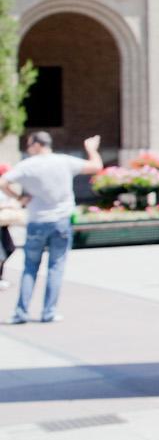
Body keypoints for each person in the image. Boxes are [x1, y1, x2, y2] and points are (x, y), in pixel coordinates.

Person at [0, 131, 103, 323]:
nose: (28, 149)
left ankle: (21, 313)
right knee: (56, 267)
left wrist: (19, 198)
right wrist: (91, 149)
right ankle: (48, 312)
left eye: (30, 145)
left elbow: (3, 182)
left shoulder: (27, 165)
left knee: (30, 268)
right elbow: (96, 166)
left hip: (36, 221)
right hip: (61, 221)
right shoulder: (63, 161)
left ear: (37, 145)